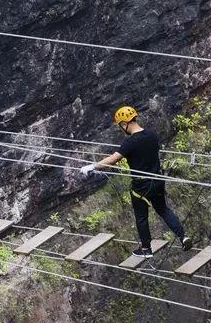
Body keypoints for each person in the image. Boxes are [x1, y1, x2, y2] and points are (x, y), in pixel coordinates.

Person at [80, 105, 192, 257]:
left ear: (124, 123)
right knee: (163, 210)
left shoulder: (131, 142)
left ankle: (146, 249)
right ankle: (182, 236)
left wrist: (93, 166)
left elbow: (113, 159)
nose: (121, 129)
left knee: (141, 216)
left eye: (121, 126)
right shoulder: (152, 134)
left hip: (141, 185)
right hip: (158, 180)